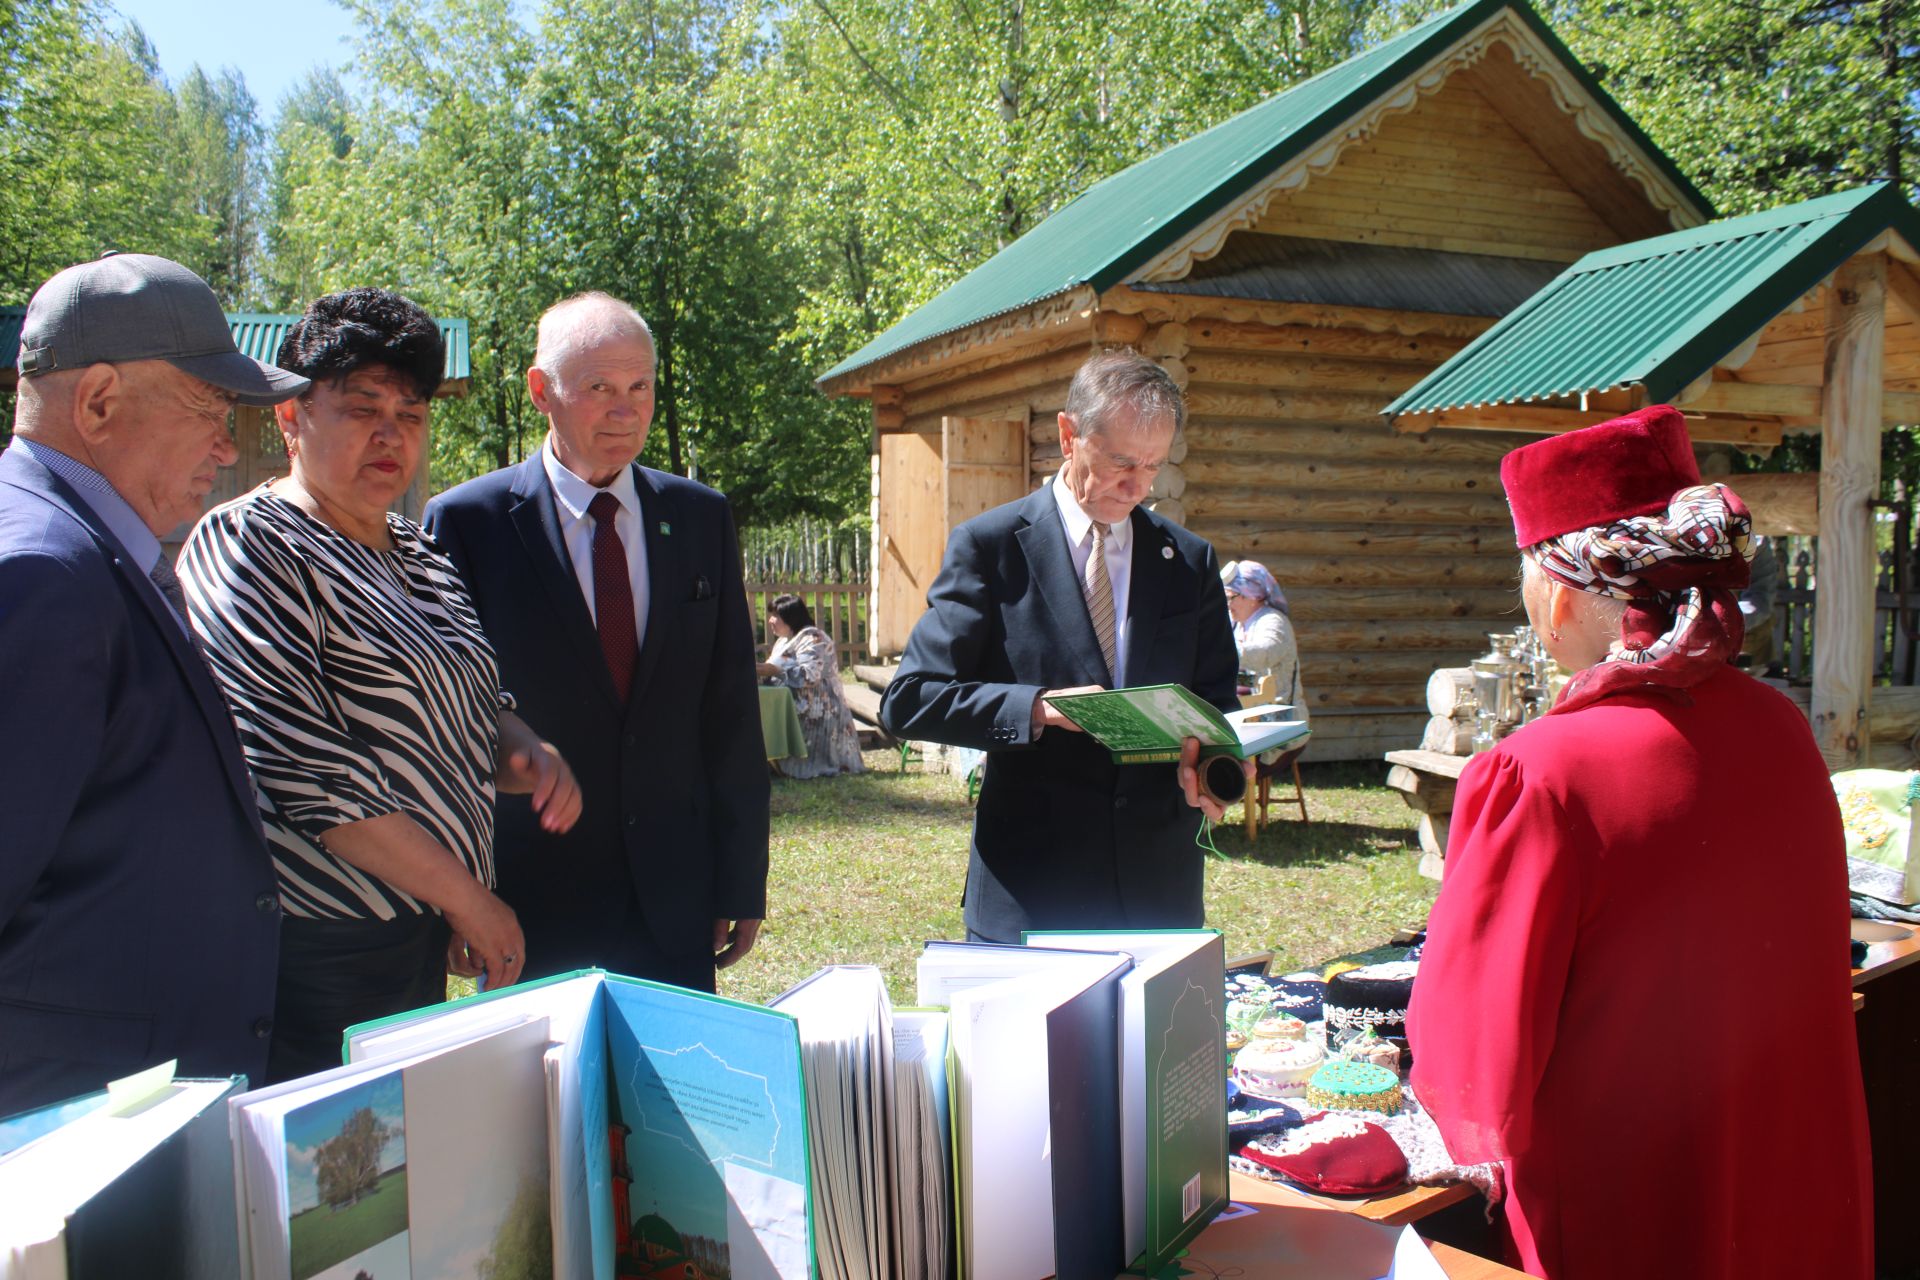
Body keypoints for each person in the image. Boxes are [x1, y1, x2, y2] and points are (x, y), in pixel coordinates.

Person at [1407, 406, 1871, 1280]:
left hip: (1636, 1201)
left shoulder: (1540, 771)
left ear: (1562, 596)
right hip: (1785, 1177)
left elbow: (1476, 1058)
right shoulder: (1780, 726)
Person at [179, 288, 581, 1083]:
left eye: (412, 413)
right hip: (317, 947)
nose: (391, 434)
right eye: (362, 408)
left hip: (413, 931)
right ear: (292, 419)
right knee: (340, 1190)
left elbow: (466, 706)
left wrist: (525, 748)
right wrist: (468, 895)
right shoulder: (252, 542)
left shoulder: (416, 550)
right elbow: (302, 767)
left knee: (413, 1178)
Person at [0, 253, 306, 1112]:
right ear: (97, 401)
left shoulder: (87, 552)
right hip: (72, 1135)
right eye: (209, 408)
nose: (228, 444)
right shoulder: (40, 576)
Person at [425, 292, 768, 992]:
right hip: (527, 903)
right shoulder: (467, 524)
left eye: (640, 386)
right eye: (600, 388)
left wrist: (740, 879)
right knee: (538, 1103)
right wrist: (453, 899)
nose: (626, 409)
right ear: (540, 392)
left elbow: (729, 709)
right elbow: (440, 729)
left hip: (673, 901)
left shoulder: (701, 517)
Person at [880, 349, 1245, 943]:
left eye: (1154, 466)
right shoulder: (991, 547)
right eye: (1123, 462)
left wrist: (1210, 769)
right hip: (1033, 891)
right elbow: (911, 699)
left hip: (1158, 893)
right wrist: (1038, 708)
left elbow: (1214, 703)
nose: (1139, 486)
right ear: (1068, 435)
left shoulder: (1188, 560)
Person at [756, 593, 866, 778]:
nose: (770, 621)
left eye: (776, 616)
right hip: (792, 703)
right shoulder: (784, 641)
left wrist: (772, 670)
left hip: (819, 709)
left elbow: (809, 676)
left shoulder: (814, 638)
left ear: (790, 618)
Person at [1220, 559, 1309, 726]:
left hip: (1281, 725)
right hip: (1250, 718)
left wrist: (1220, 651)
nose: (1228, 605)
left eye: (1231, 597)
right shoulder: (1236, 623)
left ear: (1251, 596)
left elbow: (1265, 654)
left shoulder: (1273, 621)